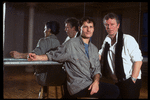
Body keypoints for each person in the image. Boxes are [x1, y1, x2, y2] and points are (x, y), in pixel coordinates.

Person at [28, 17, 119, 99]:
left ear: (93, 29)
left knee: (112, 89)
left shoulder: (94, 49)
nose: (88, 30)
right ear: (80, 28)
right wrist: (38, 57)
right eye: (85, 27)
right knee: (114, 90)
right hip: (78, 87)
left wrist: (96, 82)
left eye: (91, 27)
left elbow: (97, 70)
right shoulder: (71, 44)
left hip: (90, 83)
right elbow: (53, 55)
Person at [99, 13, 143, 99]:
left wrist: (133, 80)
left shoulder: (127, 39)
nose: (109, 27)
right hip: (117, 81)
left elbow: (138, 61)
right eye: (107, 25)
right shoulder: (107, 40)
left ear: (118, 25)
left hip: (131, 81)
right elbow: (101, 54)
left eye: (112, 24)